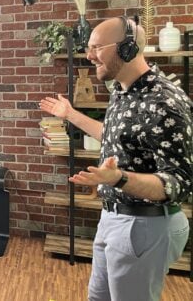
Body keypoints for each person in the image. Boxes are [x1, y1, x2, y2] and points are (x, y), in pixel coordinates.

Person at [39, 16, 192, 301]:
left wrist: (119, 178)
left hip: (144, 225)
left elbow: (178, 183)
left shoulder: (164, 101)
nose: (89, 55)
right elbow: (114, 135)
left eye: (97, 47)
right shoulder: (122, 90)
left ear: (127, 48)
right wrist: (70, 114)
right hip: (114, 217)